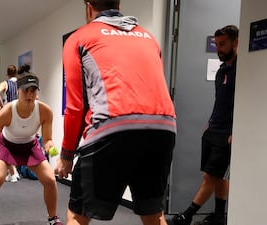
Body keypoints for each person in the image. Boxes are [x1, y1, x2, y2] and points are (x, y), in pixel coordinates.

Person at [55, 1, 176, 225]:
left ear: (88, 7)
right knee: (153, 213)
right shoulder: (149, 37)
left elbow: (76, 106)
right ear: (118, 3)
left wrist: (66, 155)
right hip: (163, 127)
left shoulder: (79, 37)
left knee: (78, 212)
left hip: (112, 127)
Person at [0, 74, 63, 225]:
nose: (29, 95)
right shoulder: (7, 111)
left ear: (37, 93)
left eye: (33, 91)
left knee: (49, 179)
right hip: (5, 145)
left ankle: (53, 218)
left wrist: (55, 153)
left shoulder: (44, 111)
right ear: (18, 92)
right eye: (25, 91)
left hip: (29, 146)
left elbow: (47, 140)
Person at [167, 25, 238, 225]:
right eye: (217, 45)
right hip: (213, 129)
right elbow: (220, 100)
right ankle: (218, 216)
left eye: (223, 44)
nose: (219, 49)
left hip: (227, 133)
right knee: (219, 176)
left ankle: (186, 216)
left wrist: (235, 130)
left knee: (210, 177)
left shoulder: (242, 69)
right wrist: (209, 122)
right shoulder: (222, 70)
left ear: (236, 42)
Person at [0, 65, 20, 182]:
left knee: (5, 143)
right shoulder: (20, 83)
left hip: (8, 113)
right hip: (19, 113)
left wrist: (1, 106)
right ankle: (13, 171)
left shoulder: (5, 83)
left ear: (7, 73)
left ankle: (13, 173)